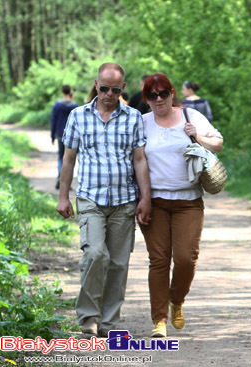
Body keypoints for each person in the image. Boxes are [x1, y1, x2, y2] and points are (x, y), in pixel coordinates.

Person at [56, 62, 152, 337]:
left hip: (124, 200)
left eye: (116, 89)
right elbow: (68, 158)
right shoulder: (78, 116)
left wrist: (145, 198)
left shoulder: (133, 117)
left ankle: (109, 322)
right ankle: (88, 317)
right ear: (97, 85)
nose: (110, 93)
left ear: (123, 88)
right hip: (91, 199)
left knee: (119, 263)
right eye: (105, 88)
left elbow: (139, 159)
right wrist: (64, 196)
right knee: (96, 254)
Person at [139, 73, 223, 338]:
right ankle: (159, 320)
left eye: (163, 93)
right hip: (155, 203)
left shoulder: (191, 117)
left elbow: (218, 143)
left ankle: (177, 300)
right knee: (159, 261)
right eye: (152, 95)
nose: (159, 99)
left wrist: (197, 136)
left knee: (186, 258)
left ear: (172, 93)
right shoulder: (141, 123)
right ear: (146, 99)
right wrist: (141, 200)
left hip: (188, 201)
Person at [50, 85, 78, 189]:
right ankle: (67, 183)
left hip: (60, 134)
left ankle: (59, 179)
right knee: (71, 159)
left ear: (62, 92)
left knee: (61, 157)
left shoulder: (57, 105)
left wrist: (52, 136)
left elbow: (53, 120)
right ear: (70, 92)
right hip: (73, 136)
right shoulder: (75, 106)